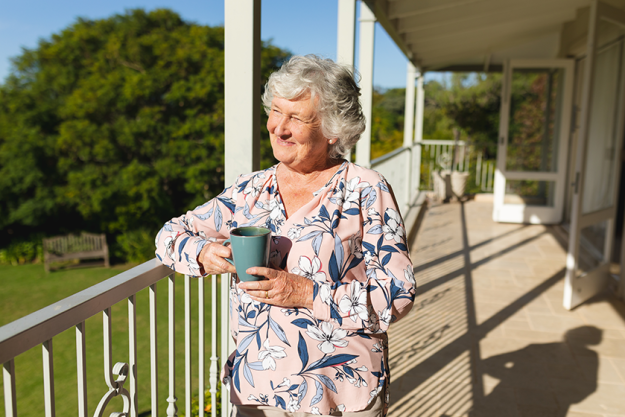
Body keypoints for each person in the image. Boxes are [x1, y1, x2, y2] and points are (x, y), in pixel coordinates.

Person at [155, 55, 415, 416]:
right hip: (258, 391)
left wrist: (306, 293)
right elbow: (169, 235)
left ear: (332, 129)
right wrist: (205, 253)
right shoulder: (251, 189)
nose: (279, 127)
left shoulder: (365, 190)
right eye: (276, 111)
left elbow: (397, 295)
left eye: (296, 117)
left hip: (339, 391)